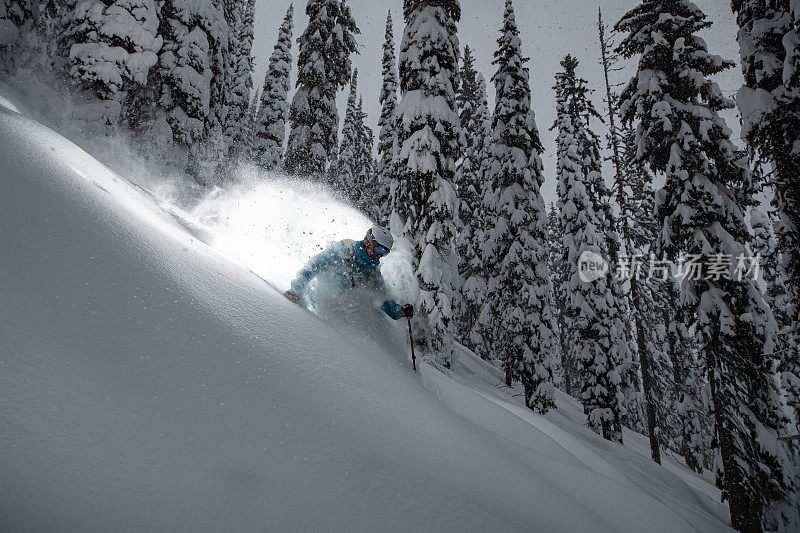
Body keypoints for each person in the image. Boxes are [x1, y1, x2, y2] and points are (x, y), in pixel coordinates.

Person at [284, 226, 414, 321]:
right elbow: (311, 269)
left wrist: (400, 311)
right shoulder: (342, 253)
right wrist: (296, 290)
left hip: (340, 317)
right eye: (378, 249)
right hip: (318, 308)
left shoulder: (372, 272)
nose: (379, 255)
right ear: (368, 242)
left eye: (385, 252)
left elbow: (382, 301)